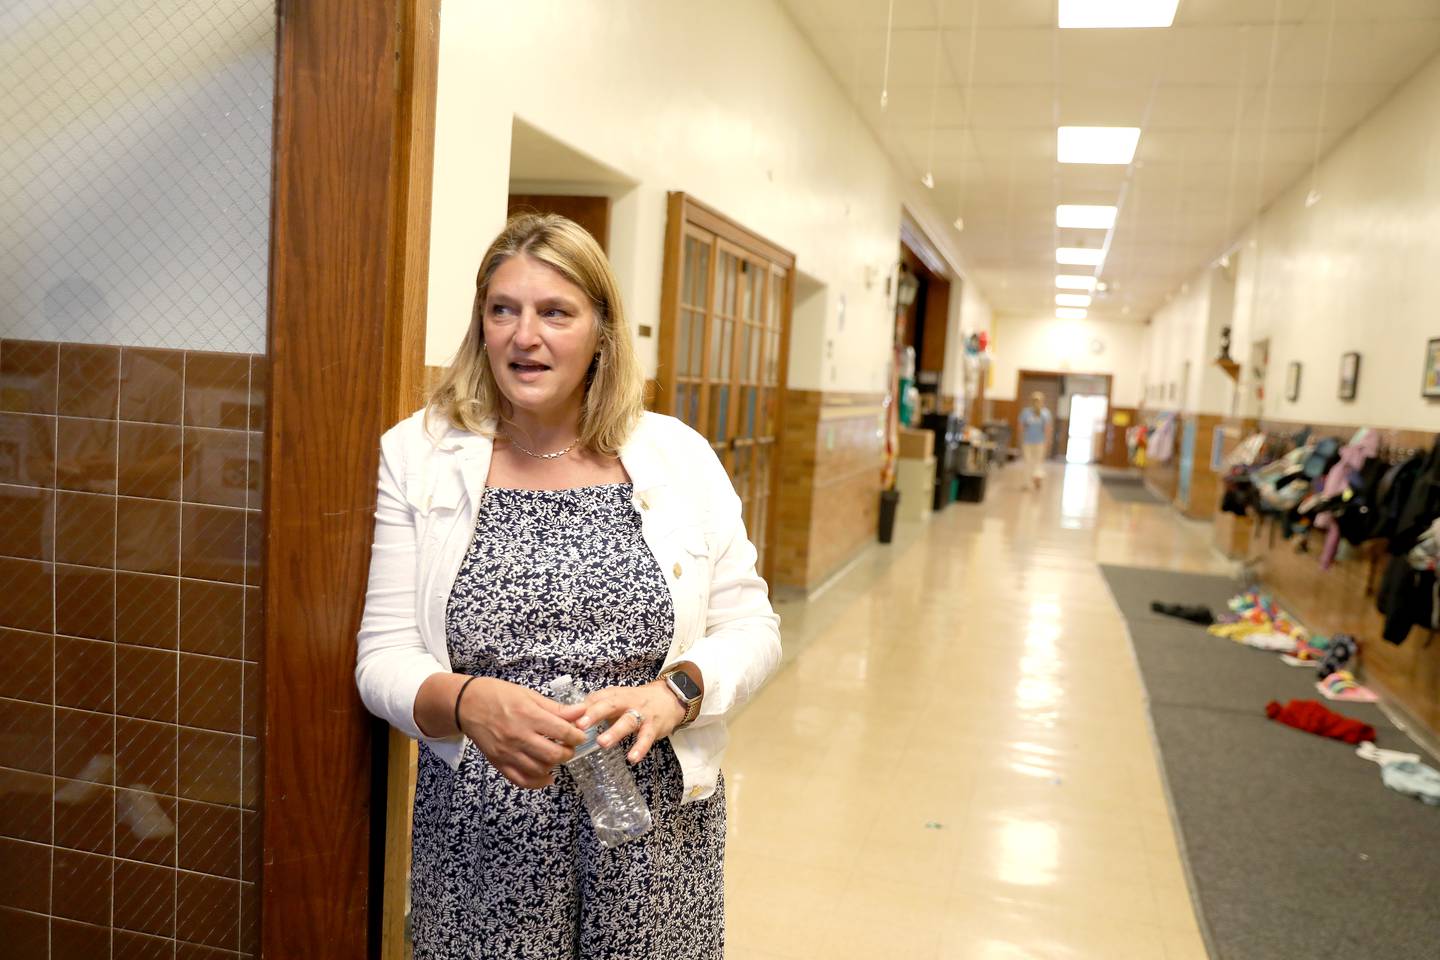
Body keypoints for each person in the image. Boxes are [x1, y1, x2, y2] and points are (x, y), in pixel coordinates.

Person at [354, 213, 781, 959]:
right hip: (484, 837)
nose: (526, 336)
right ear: (480, 326)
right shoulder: (419, 457)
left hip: (650, 829)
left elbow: (753, 629)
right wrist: (466, 701)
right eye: (503, 310)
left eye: (556, 312)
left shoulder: (677, 457)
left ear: (602, 332)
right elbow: (381, 657)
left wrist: (674, 694)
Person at [1018, 391, 1053, 490]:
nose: (1036, 402)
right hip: (1027, 441)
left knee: (1038, 463)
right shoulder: (1026, 412)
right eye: (1035, 400)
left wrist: (1047, 441)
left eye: (1038, 400)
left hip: (1040, 442)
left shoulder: (1045, 413)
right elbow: (1021, 426)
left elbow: (1048, 429)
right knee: (1027, 462)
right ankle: (1027, 483)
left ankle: (1037, 479)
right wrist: (1021, 438)